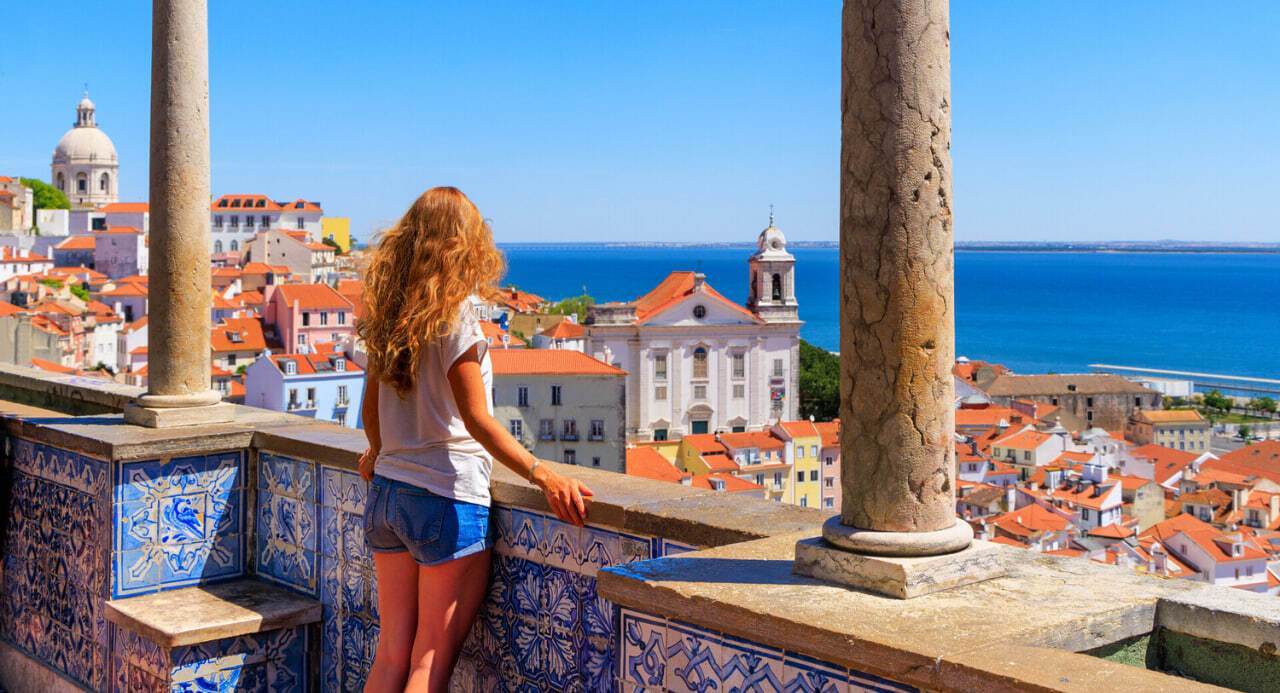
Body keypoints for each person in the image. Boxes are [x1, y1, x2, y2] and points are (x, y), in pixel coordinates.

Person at [357, 186, 593, 691]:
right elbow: (477, 419)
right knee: (429, 663)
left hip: (387, 498)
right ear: (465, 243)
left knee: (391, 656)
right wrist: (542, 471)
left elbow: (369, 412)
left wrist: (380, 453)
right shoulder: (456, 314)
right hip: (446, 498)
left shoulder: (388, 316)